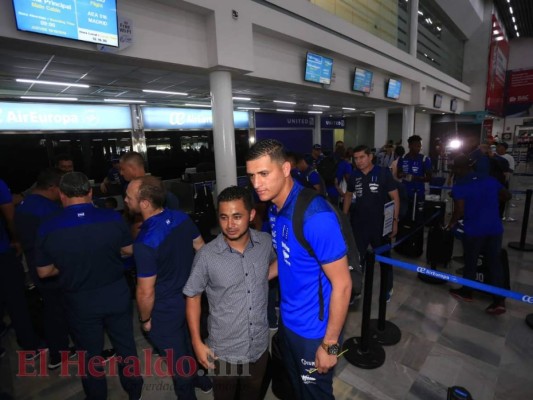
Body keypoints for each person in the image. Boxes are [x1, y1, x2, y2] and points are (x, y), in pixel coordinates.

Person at [246, 139, 352, 400]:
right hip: (288, 322)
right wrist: (252, 279)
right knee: (296, 389)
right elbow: (286, 260)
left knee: (315, 394)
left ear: (285, 169)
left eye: (263, 174)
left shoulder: (315, 217)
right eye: (251, 176)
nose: (256, 184)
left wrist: (330, 345)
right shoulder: (275, 208)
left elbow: (343, 284)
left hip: (314, 330)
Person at [36, 172, 143, 400]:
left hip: (80, 301)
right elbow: (127, 250)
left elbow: (44, 271)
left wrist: (66, 265)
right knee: (125, 346)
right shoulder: (112, 218)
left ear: (62, 195)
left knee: (90, 355)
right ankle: (135, 391)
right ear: (90, 192)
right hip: (116, 293)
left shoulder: (47, 227)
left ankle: (97, 396)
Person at [184, 186, 275, 400]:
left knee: (252, 395)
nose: (230, 225)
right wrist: (197, 343)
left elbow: (280, 260)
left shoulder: (264, 243)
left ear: (251, 215)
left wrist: (261, 277)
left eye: (237, 216)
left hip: (259, 347)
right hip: (224, 352)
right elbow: (192, 296)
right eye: (224, 217)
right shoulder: (207, 256)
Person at [125, 175, 211, 400]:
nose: (124, 200)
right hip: (191, 298)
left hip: (165, 309)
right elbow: (201, 248)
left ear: (144, 203)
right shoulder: (181, 217)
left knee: (176, 359)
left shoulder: (144, 242)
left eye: (128, 196)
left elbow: (145, 291)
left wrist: (145, 320)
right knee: (190, 341)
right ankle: (203, 380)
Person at [14, 167, 74, 369]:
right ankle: (60, 353)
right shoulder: (49, 210)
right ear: (52, 187)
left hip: (35, 265)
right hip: (52, 268)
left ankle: (57, 349)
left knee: (50, 308)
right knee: (58, 310)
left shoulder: (24, 205)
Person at [446, 156, 511, 314]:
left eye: (455, 169)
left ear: (460, 169)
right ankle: (499, 301)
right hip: (494, 228)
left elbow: (459, 210)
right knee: (495, 263)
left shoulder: (460, 185)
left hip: (474, 229)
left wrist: (452, 224)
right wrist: (489, 199)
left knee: (471, 260)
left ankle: (467, 292)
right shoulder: (489, 180)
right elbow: (507, 196)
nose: (455, 172)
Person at [343, 145, 399, 301]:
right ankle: (356, 290)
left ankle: (387, 288)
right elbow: (348, 195)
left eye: (362, 157)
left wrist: (395, 220)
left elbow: (395, 198)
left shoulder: (383, 173)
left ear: (370, 157)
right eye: (356, 158)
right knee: (356, 260)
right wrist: (344, 216)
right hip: (359, 225)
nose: (358, 161)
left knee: (384, 259)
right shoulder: (354, 176)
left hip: (380, 225)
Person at [0, 178, 43, 359]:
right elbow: (10, 216)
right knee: (16, 298)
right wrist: (17, 240)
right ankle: (29, 344)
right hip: (2, 252)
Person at [396, 135, 432, 221]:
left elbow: (429, 178)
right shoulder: (402, 158)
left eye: (420, 146)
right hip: (405, 193)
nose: (419, 148)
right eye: (417, 146)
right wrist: (403, 175)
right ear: (410, 146)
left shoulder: (424, 159)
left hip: (419, 193)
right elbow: (398, 174)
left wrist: (415, 178)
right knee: (404, 216)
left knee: (418, 217)